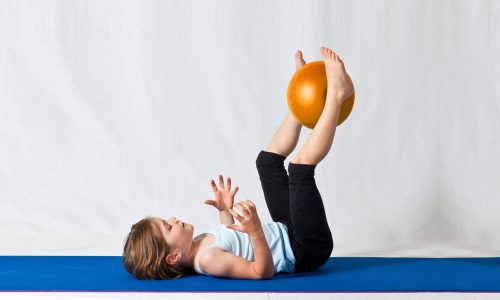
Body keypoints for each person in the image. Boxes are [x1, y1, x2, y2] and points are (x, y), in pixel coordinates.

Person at [122, 47, 355, 280]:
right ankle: (336, 94)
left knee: (267, 162)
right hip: (306, 249)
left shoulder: (197, 243)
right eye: (168, 226)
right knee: (299, 171)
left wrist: (225, 212)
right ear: (172, 257)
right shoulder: (208, 260)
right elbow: (261, 272)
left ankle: (302, 98)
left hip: (287, 230)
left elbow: (231, 239)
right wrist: (255, 232)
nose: (172, 219)